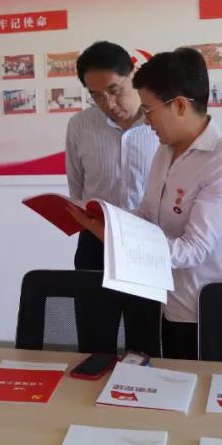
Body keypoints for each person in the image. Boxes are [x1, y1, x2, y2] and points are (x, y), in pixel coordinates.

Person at [69, 47, 222, 359]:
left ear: (179, 105)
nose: (146, 119)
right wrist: (104, 219)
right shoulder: (166, 152)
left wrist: (114, 236)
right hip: (169, 302)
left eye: (149, 109)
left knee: (206, 388)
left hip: (207, 308)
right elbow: (147, 214)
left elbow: (192, 250)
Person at [66, 41, 160, 355]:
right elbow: (78, 188)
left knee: (145, 346)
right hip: (96, 246)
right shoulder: (80, 126)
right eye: (96, 95)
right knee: (94, 345)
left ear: (133, 75)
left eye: (114, 90)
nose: (107, 103)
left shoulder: (160, 124)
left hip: (147, 248)